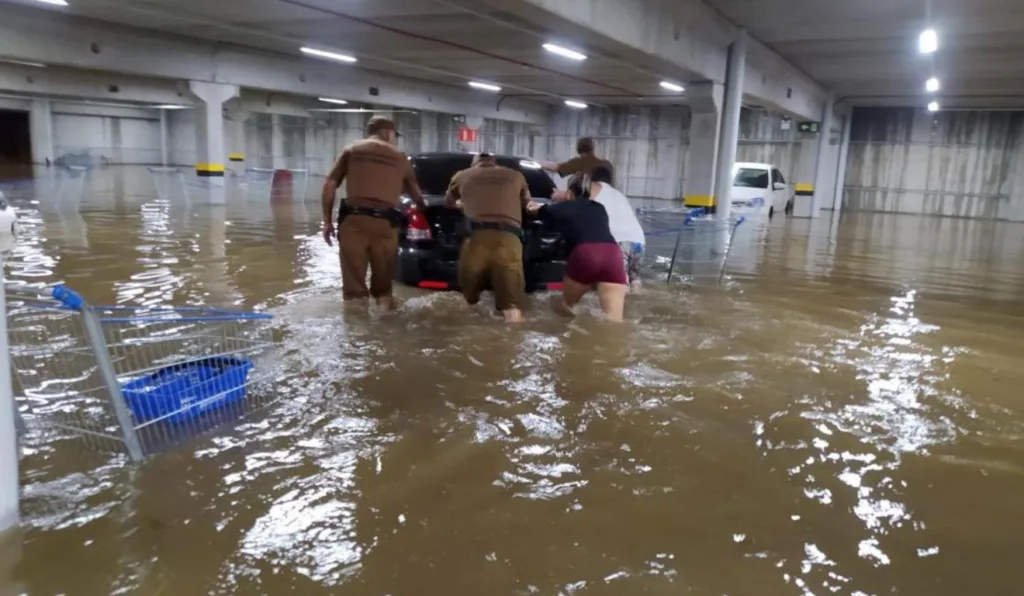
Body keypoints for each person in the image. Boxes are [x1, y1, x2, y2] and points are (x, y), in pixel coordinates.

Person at [321, 116, 426, 309]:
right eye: (395, 135)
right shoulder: (399, 157)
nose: (395, 140)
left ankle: (355, 325)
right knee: (383, 289)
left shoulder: (351, 149)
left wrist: (327, 221)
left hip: (354, 222)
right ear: (387, 133)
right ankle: (383, 322)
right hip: (385, 225)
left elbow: (330, 183)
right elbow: (417, 196)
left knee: (354, 291)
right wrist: (423, 210)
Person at [445, 153, 531, 323]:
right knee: (511, 307)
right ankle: (513, 335)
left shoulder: (461, 176)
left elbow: (448, 202)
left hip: (475, 240)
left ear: (474, 164)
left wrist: (462, 204)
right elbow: (527, 203)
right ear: (494, 163)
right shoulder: (516, 176)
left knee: (467, 301)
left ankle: (463, 336)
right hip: (509, 239)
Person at [526, 188, 628, 322]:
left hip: (586, 253)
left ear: (569, 194)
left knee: (567, 306)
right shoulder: (599, 207)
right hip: (612, 253)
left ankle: (565, 330)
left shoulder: (564, 206)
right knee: (614, 321)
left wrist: (531, 206)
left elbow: (539, 211)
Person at [585, 167, 645, 290]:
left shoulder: (593, 190)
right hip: (639, 241)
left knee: (618, 286)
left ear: (592, 180)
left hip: (619, 241)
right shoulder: (619, 195)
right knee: (635, 280)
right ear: (610, 180)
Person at [540, 137, 614, 201]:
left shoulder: (579, 162)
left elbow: (557, 167)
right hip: (609, 197)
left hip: (588, 199)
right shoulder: (607, 164)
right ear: (592, 148)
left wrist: (537, 162)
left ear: (578, 149)